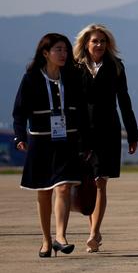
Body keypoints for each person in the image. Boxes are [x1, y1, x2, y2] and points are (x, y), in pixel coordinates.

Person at [12, 33, 90, 257]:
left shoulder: (73, 77)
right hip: (40, 142)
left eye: (65, 50)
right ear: (45, 53)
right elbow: (19, 113)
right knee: (44, 192)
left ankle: (61, 236)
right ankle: (46, 241)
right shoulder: (31, 79)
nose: (64, 54)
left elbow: (82, 111)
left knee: (64, 187)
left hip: (67, 140)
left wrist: (86, 142)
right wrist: (19, 137)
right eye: (58, 50)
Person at [75, 23, 138, 253]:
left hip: (108, 129)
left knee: (101, 180)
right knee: (87, 182)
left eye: (103, 41)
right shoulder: (74, 68)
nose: (99, 45)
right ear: (86, 43)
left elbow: (124, 101)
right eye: (95, 41)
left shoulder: (116, 66)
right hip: (82, 131)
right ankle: (94, 227)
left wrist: (133, 134)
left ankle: (94, 232)